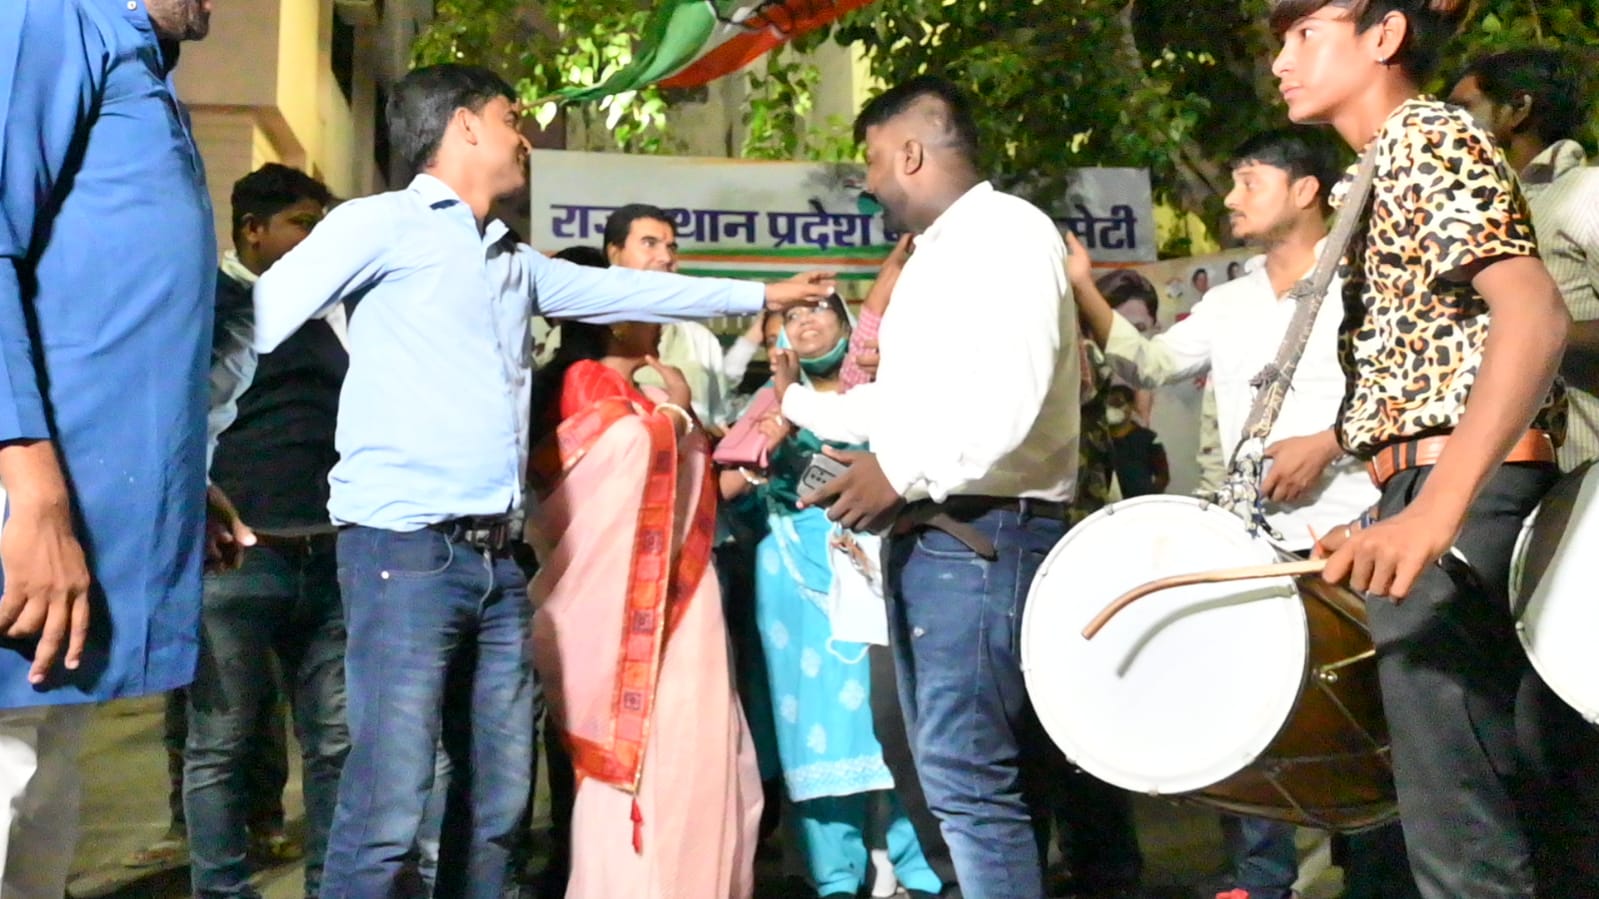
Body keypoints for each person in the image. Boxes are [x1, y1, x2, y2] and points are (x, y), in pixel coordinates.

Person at [251, 64, 831, 897]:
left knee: (496, 808)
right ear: (464, 126)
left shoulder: (510, 260)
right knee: (388, 807)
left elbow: (621, 288)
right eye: (510, 117)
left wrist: (763, 290)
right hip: (403, 554)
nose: (523, 136)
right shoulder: (379, 224)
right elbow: (256, 319)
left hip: (495, 566)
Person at [1269, 1, 1599, 896]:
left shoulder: (1426, 138)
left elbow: (1532, 315)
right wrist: (1389, 510)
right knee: (1500, 823)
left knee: (1463, 841)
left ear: (1383, 36)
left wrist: (1434, 511)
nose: (1281, 61)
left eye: (1305, 34)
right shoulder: (1384, 160)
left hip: (1462, 496)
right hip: (1434, 487)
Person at [1069, 127, 1413, 899]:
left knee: (1366, 730)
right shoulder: (1226, 302)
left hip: (1356, 540)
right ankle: (1262, 885)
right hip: (1251, 547)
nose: (1230, 198)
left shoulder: (1367, 281)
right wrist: (1083, 286)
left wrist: (1327, 444)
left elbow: (1410, 397)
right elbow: (1150, 362)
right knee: (1250, 722)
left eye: (1249, 181)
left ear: (1305, 189)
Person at [777, 75, 1081, 899]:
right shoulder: (936, 255)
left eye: (874, 162)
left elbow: (1010, 400)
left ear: (910, 152)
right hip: (943, 538)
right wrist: (796, 406)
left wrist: (897, 472)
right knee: (964, 782)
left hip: (983, 536)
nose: (870, 182)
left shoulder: (1005, 234)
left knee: (970, 782)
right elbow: (907, 404)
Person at [0, 0, 247, 893]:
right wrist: (33, 492)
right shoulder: (47, 16)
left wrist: (180, 478)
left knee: (41, 790)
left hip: (86, 512)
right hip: (32, 510)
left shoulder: (135, 59)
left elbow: (116, 303)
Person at [526, 321, 762, 898]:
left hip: (683, 594)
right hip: (630, 609)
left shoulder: (650, 393)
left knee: (695, 753)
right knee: (649, 756)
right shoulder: (586, 381)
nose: (663, 309)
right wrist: (676, 417)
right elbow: (614, 477)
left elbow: (691, 490)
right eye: (653, 285)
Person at [730, 297, 943, 899]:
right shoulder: (769, 401)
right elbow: (727, 481)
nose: (805, 321)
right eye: (791, 316)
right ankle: (835, 875)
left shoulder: (883, 389)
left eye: (818, 309)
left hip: (875, 563)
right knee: (812, 723)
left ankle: (919, 863)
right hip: (792, 578)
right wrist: (765, 452)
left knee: (889, 715)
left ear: (848, 323)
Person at [187, 163, 349, 899]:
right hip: (238, 561)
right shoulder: (204, 308)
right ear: (253, 230)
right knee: (223, 747)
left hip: (327, 555)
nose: (317, 239)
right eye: (302, 224)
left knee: (335, 744)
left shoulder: (321, 311)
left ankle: (331, 887)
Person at [1449, 48, 1599, 471]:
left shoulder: (1587, 193)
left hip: (1579, 477)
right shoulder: (1465, 212)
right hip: (1478, 477)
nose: (1446, 127)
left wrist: (1520, 332)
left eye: (1462, 110)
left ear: (1518, 109)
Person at [605, 203, 737, 427]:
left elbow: (718, 423)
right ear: (615, 254)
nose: (666, 257)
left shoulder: (699, 339)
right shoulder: (581, 334)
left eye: (671, 247)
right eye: (650, 244)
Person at [1103, 385, 1169, 497]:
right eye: (1108, 404)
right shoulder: (1099, 439)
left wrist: (1149, 497)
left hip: (1139, 503)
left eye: (1117, 403)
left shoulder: (1149, 439)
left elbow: (1163, 476)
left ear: (1131, 406)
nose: (1111, 408)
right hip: (1105, 504)